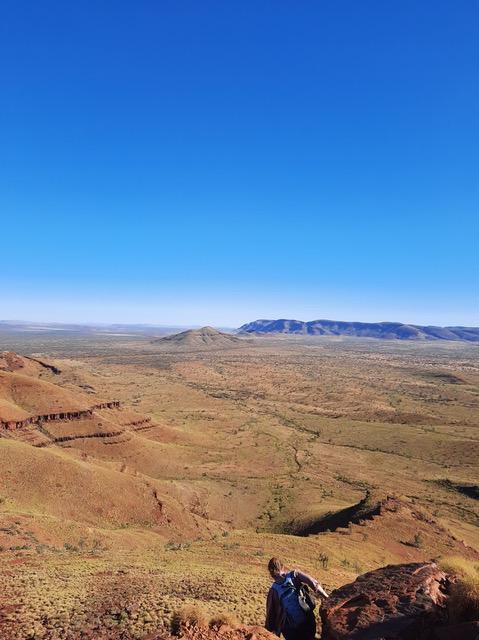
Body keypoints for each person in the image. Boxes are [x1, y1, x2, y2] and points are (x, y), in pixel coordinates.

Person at [265, 557, 329, 640]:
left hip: (290, 629)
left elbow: (270, 613)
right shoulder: (294, 575)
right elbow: (313, 583)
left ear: (270, 572)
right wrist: (327, 597)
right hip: (307, 620)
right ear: (282, 566)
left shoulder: (273, 590)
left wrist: (270, 632)